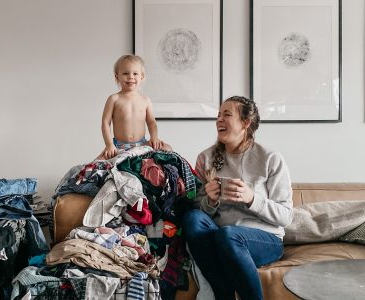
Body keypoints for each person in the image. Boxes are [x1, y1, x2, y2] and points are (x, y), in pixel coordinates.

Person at [183, 96, 293, 300]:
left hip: (263, 239)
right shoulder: (205, 158)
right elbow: (199, 211)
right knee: (192, 218)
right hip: (219, 237)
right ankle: (222, 295)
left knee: (228, 235)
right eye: (218, 115)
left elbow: (286, 216)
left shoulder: (270, 158)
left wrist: (252, 199)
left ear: (245, 122)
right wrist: (210, 201)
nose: (219, 120)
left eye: (227, 115)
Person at [97, 54, 171, 160]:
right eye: (125, 73)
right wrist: (109, 145)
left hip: (141, 144)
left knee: (168, 149)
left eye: (135, 73)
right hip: (119, 146)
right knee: (95, 165)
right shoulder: (114, 99)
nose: (131, 76)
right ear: (117, 77)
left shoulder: (145, 100)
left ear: (142, 77)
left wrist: (154, 138)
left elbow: (151, 122)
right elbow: (105, 122)